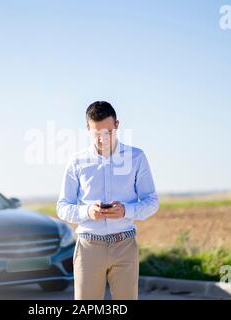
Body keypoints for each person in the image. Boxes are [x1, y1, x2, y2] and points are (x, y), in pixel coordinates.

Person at [56, 101, 159, 300]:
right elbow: (62, 207)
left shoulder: (136, 157)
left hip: (125, 245)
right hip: (88, 248)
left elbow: (151, 201)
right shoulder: (76, 162)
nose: (103, 139)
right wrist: (87, 212)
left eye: (108, 132)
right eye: (97, 134)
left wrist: (126, 211)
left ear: (117, 125)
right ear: (87, 128)